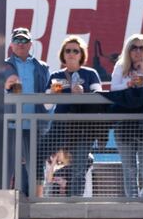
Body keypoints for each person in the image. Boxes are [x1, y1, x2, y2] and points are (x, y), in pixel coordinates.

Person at [42, 36, 101, 198]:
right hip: (60, 128)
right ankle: (46, 199)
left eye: (76, 50)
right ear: (63, 54)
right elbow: (46, 105)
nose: (72, 54)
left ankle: (75, 205)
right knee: (45, 161)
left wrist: (85, 94)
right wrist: (52, 94)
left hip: (84, 128)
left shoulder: (90, 74)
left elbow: (101, 99)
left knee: (78, 170)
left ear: (81, 54)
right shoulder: (56, 75)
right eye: (68, 50)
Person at [109, 35, 143, 198]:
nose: (138, 51)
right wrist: (129, 84)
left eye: (142, 48)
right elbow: (113, 88)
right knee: (129, 168)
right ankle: (132, 202)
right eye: (134, 47)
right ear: (128, 50)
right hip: (124, 123)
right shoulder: (121, 66)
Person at [2, 28, 51, 194]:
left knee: (36, 167)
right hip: (9, 124)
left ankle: (38, 203)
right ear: (11, 45)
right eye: (17, 41)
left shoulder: (43, 66)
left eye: (24, 41)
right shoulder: (2, 65)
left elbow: (49, 94)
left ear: (30, 44)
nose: (20, 44)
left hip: (34, 123)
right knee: (6, 167)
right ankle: (2, 201)